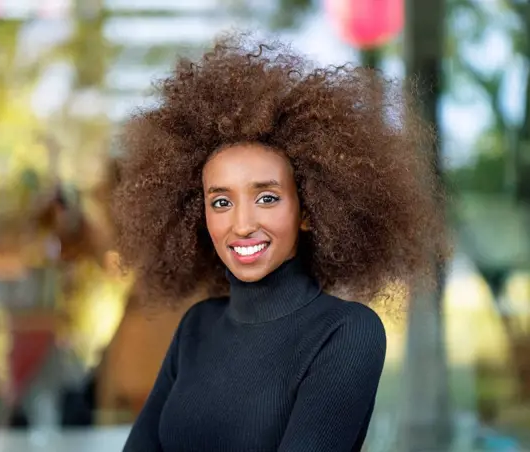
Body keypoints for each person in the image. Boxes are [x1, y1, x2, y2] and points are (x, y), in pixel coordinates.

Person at [111, 33, 448, 452]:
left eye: (266, 197)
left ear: (309, 210)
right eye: (221, 201)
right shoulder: (196, 327)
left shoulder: (346, 333)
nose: (242, 224)